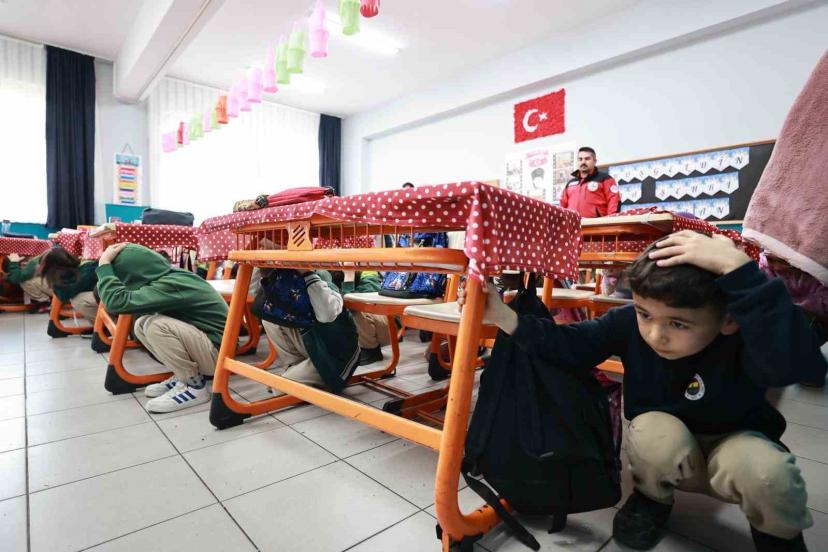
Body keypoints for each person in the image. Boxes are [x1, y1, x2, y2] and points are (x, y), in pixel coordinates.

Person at [461, 230, 824, 551]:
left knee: (768, 472)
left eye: (678, 323)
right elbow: (570, 344)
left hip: (735, 447)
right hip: (665, 450)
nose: (655, 334)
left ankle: (777, 536)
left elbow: (802, 365)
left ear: (728, 320)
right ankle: (652, 500)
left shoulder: (747, 333)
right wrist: (503, 316)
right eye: (644, 313)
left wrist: (742, 274)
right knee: (653, 432)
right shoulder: (627, 323)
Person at [95, 243, 228, 413]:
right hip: (213, 347)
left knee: (155, 325)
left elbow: (116, 303)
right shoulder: (169, 277)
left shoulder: (171, 284)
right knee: (142, 323)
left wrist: (104, 265)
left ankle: (194, 386)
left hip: (219, 356)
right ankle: (183, 374)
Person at [255, 269, 359, 394]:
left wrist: (307, 274)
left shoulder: (323, 278)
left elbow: (326, 315)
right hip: (313, 342)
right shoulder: (288, 278)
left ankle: (298, 375)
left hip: (334, 353)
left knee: (279, 389)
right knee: (271, 317)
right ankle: (293, 368)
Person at [333, 270, 394, 366]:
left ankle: (371, 349)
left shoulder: (369, 272)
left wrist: (349, 275)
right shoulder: (329, 272)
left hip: (388, 324)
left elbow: (352, 303)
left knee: (355, 309)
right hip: (365, 326)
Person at [39, 247, 99, 323]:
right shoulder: (82, 268)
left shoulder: (87, 271)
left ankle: (103, 325)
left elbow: (64, 295)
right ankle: (99, 324)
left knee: (78, 300)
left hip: (107, 298)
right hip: (103, 296)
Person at [560, 146, 620, 218]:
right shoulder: (570, 183)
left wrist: (611, 220)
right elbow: (562, 205)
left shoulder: (606, 179)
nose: (583, 162)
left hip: (597, 223)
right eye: (580, 159)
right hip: (573, 223)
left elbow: (614, 201)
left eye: (587, 159)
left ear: (595, 161)